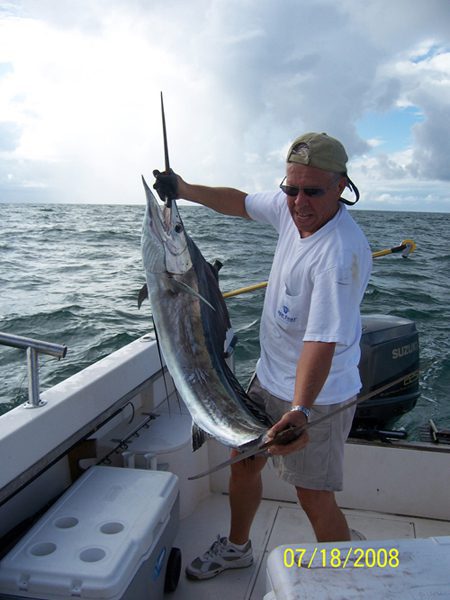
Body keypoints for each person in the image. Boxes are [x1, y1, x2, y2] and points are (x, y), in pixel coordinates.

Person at [153, 132, 372, 580]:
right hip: (268, 376)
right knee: (244, 462)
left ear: (341, 187)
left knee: (312, 494)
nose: (298, 202)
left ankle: (350, 572)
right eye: (291, 189)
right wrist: (184, 189)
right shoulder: (290, 209)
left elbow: (321, 342)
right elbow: (240, 202)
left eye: (312, 190)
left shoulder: (339, 255)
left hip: (318, 394)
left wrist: (300, 410)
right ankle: (236, 548)